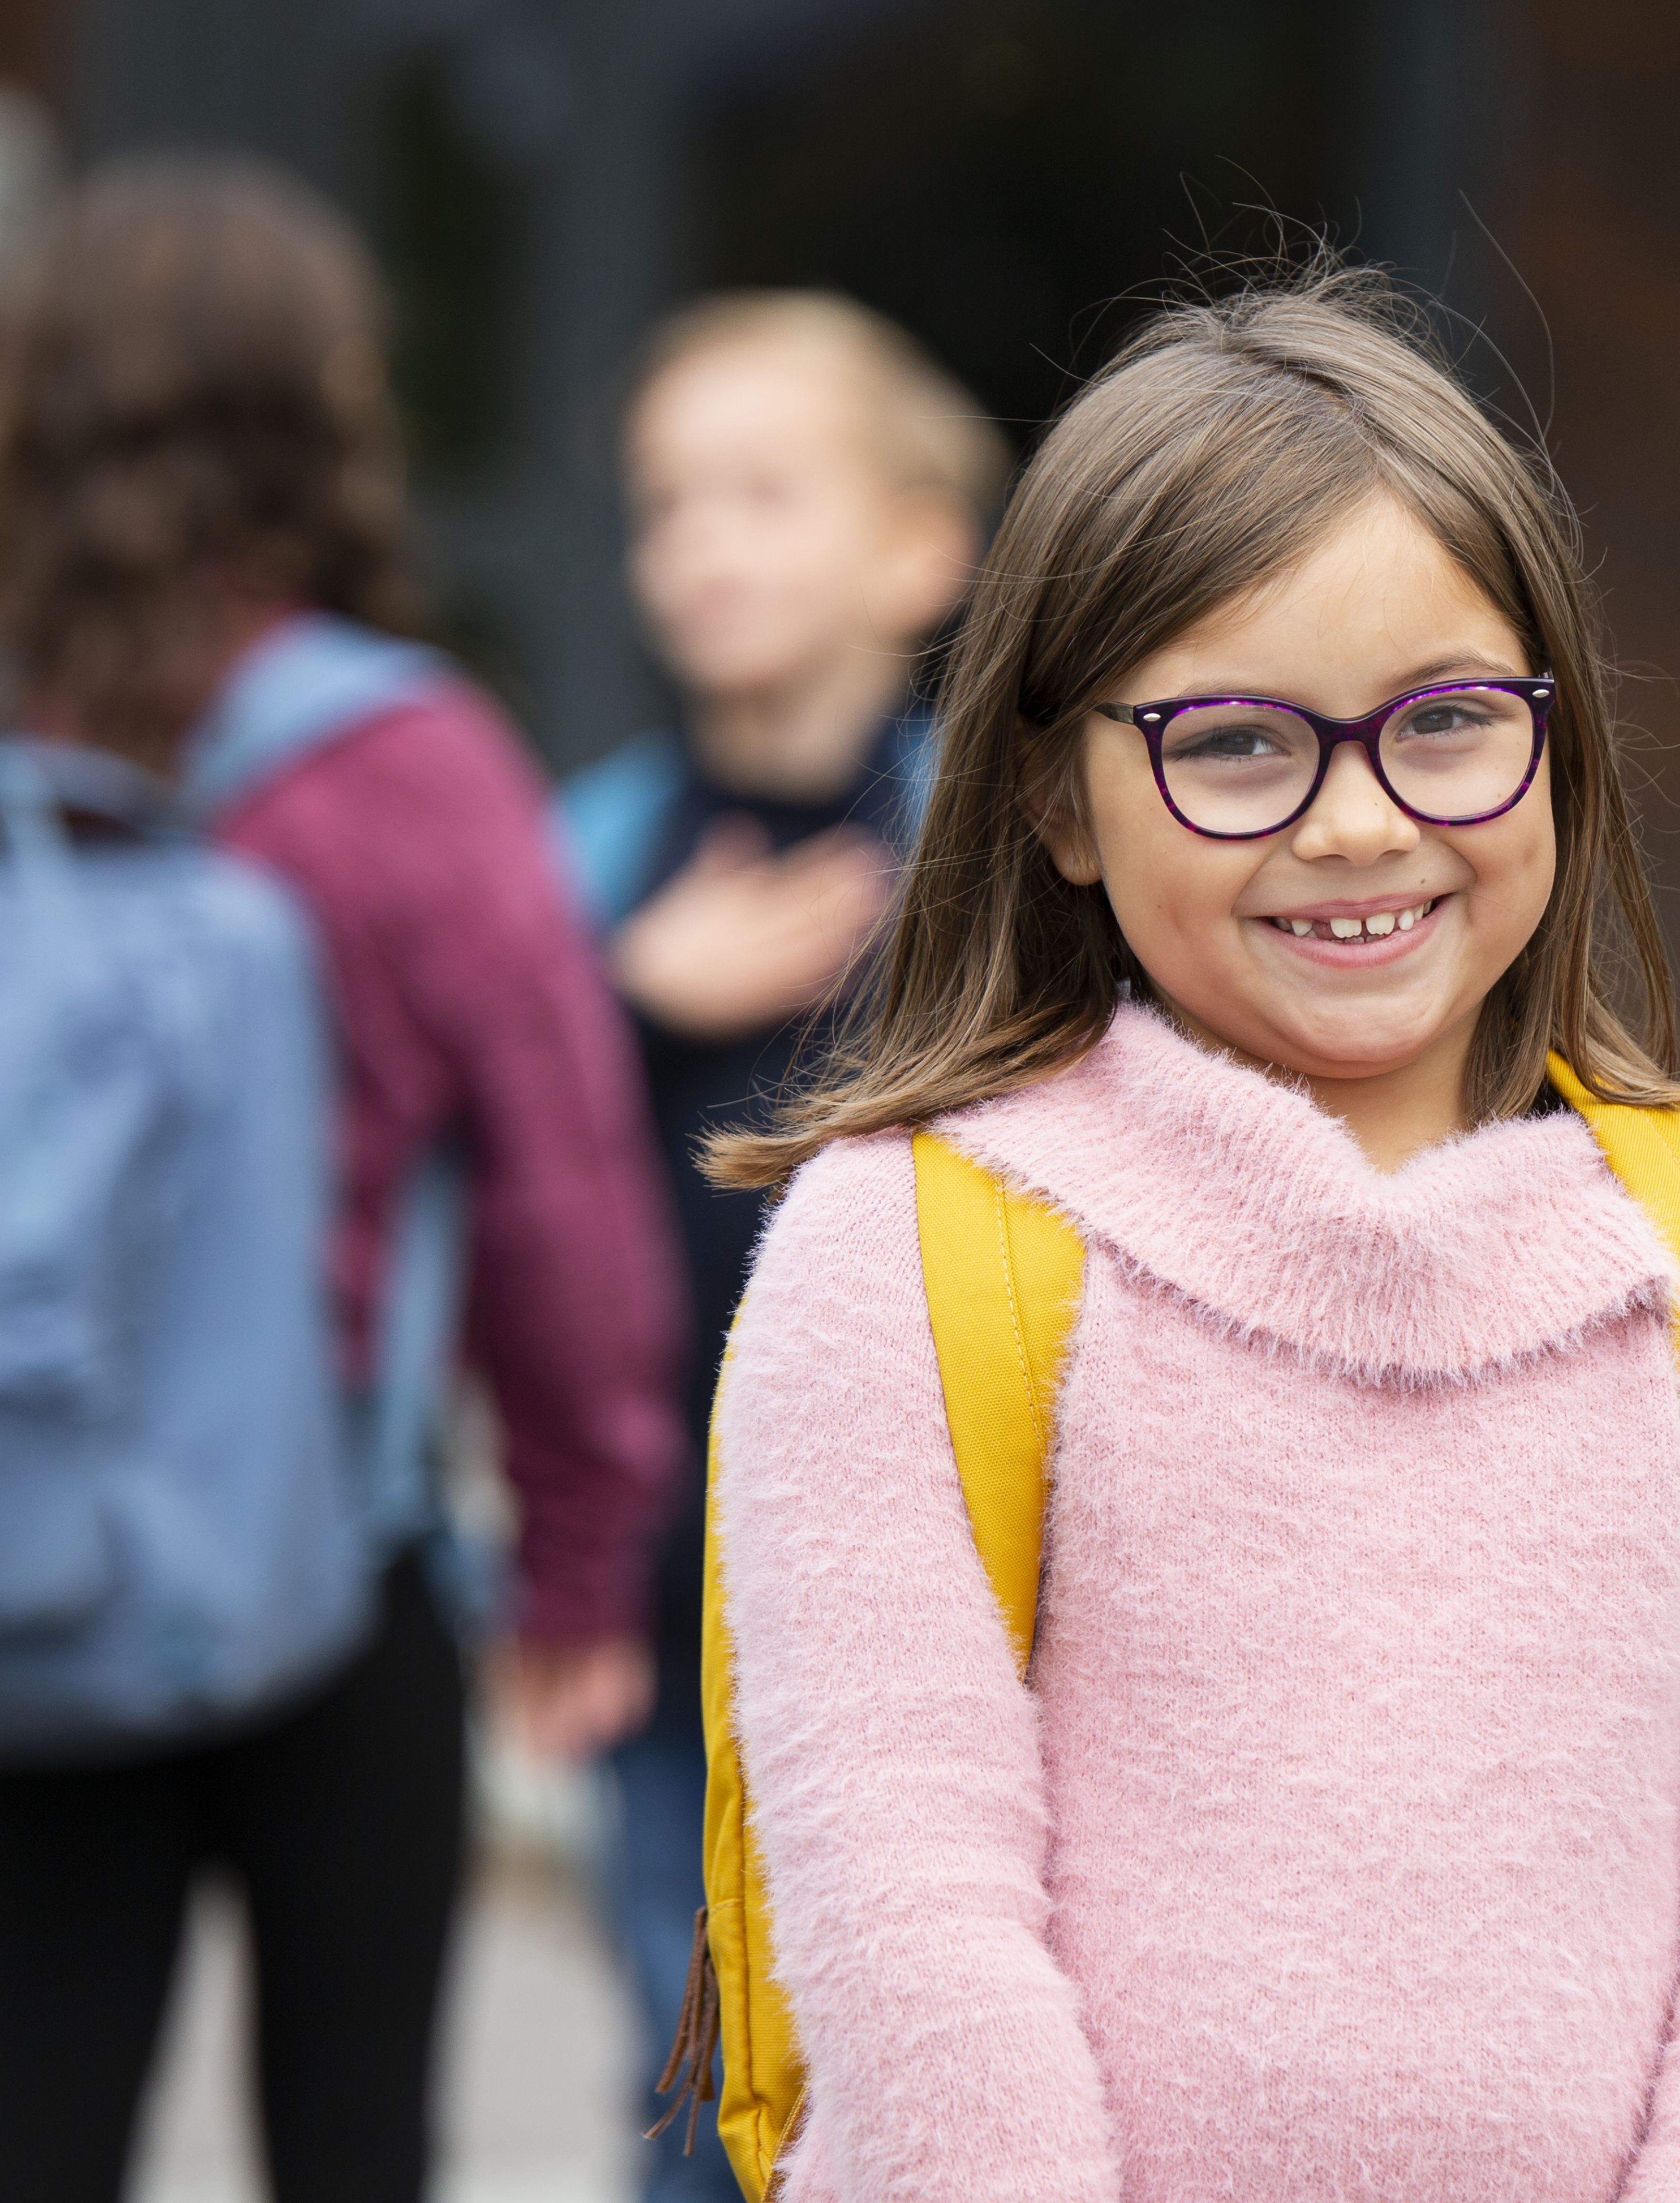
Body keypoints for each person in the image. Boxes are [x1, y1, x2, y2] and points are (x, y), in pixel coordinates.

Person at [699, 270, 1680, 2201]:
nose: (1363, 824)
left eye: (1449, 723)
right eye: (1239, 744)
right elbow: (918, 1934)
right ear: (1055, 795)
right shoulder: (907, 1262)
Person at [0, 156, 684, 2203]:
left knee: (28, 2121)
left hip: (36, 1536)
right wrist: (586, 1549)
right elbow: (558, 1202)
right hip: (332, 1555)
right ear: (319, 407)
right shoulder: (406, 761)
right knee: (351, 2142)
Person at [552, 293, 1003, 2200]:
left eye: (760, 494)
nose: (702, 546)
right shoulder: (597, 854)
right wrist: (617, 998)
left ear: (920, 550)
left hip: (923, 1585)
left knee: (913, 2046)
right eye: (668, 507)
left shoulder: (992, 854)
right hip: (659, 1584)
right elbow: (469, 1150)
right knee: (694, 2037)